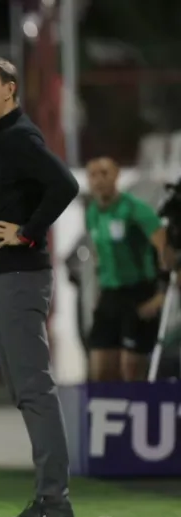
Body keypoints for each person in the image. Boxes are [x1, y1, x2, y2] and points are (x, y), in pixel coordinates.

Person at [0, 56, 78, 517]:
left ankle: (54, 503)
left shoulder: (19, 136)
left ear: (10, 90)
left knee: (35, 389)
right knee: (26, 390)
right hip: (3, 278)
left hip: (19, 277)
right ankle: (48, 497)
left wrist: (29, 232)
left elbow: (65, 184)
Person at [84, 157, 171, 382]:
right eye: (93, 175)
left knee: (132, 371)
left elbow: (164, 248)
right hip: (110, 295)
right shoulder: (92, 213)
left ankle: (140, 415)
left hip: (139, 293)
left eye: (105, 173)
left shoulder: (135, 209)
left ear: (116, 176)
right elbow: (98, 256)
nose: (99, 180)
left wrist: (161, 295)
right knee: (100, 370)